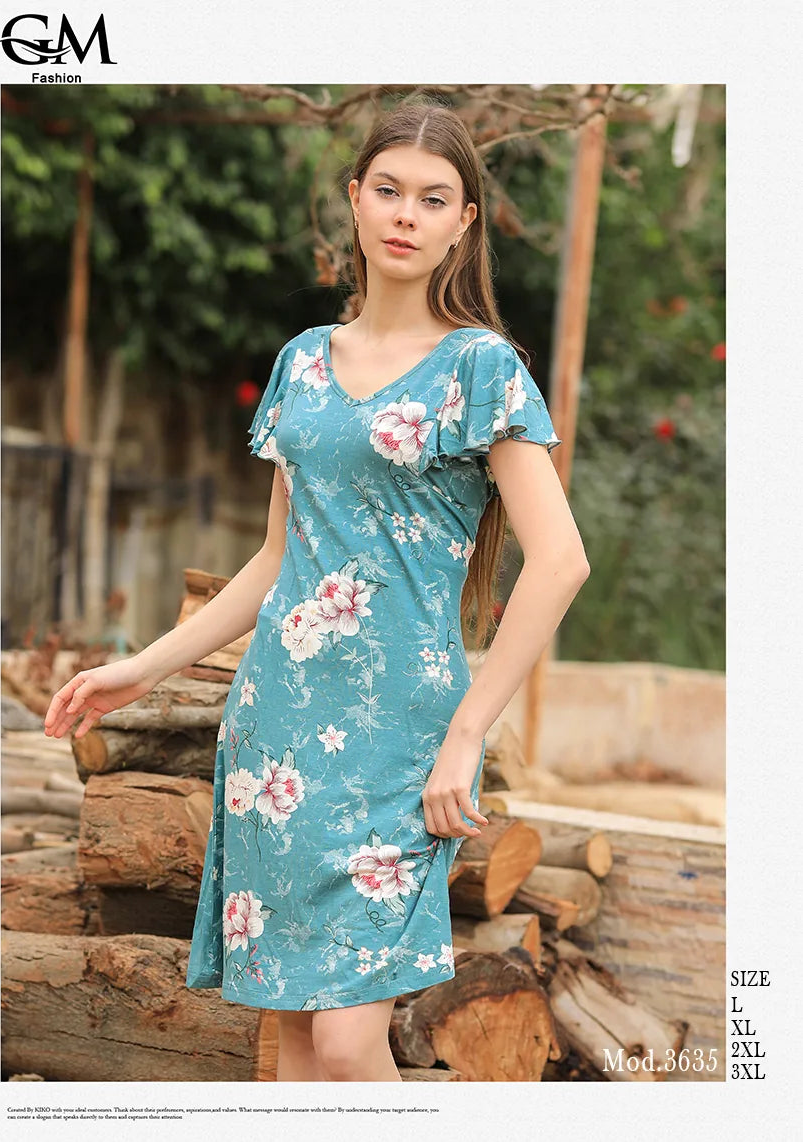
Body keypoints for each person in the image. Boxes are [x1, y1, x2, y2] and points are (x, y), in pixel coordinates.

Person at [44, 97, 590, 1082]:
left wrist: (466, 733)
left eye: (432, 198)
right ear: (354, 198)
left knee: (346, 1040)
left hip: (402, 735)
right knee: (296, 1036)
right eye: (387, 190)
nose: (405, 215)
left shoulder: (481, 369)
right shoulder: (302, 361)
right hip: (278, 730)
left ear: (464, 221)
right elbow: (273, 561)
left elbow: (560, 561)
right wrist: (141, 670)